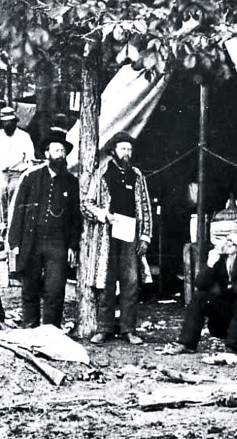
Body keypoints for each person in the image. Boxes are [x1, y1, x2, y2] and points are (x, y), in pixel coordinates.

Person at [163, 206, 237, 354]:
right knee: (200, 296)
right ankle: (186, 343)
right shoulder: (216, 258)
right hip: (228, 310)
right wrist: (210, 264)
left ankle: (231, 348)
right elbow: (200, 285)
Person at [82, 131, 153, 345]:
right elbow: (86, 204)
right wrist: (105, 216)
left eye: (129, 149)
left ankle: (128, 329)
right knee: (106, 281)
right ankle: (104, 328)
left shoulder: (137, 175)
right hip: (106, 236)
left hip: (130, 235)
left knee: (131, 282)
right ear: (114, 150)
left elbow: (146, 207)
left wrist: (145, 237)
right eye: (123, 149)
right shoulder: (103, 173)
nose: (127, 153)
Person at [7, 131, 82, 329]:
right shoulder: (31, 178)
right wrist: (14, 243)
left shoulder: (72, 183)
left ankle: (51, 331)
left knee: (55, 289)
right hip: (32, 240)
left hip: (58, 242)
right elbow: (18, 212)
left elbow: (76, 218)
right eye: (57, 151)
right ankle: (30, 328)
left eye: (63, 152)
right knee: (29, 287)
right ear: (47, 153)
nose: (61, 155)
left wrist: (73, 246)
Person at [0, 106, 35, 237]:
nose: (8, 124)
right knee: (1, 200)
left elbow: (30, 157)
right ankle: (0, 232)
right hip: (3, 173)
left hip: (17, 174)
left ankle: (13, 233)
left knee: (15, 202)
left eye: (10, 121)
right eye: (5, 122)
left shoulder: (24, 136)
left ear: (15, 121)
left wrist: (27, 173)